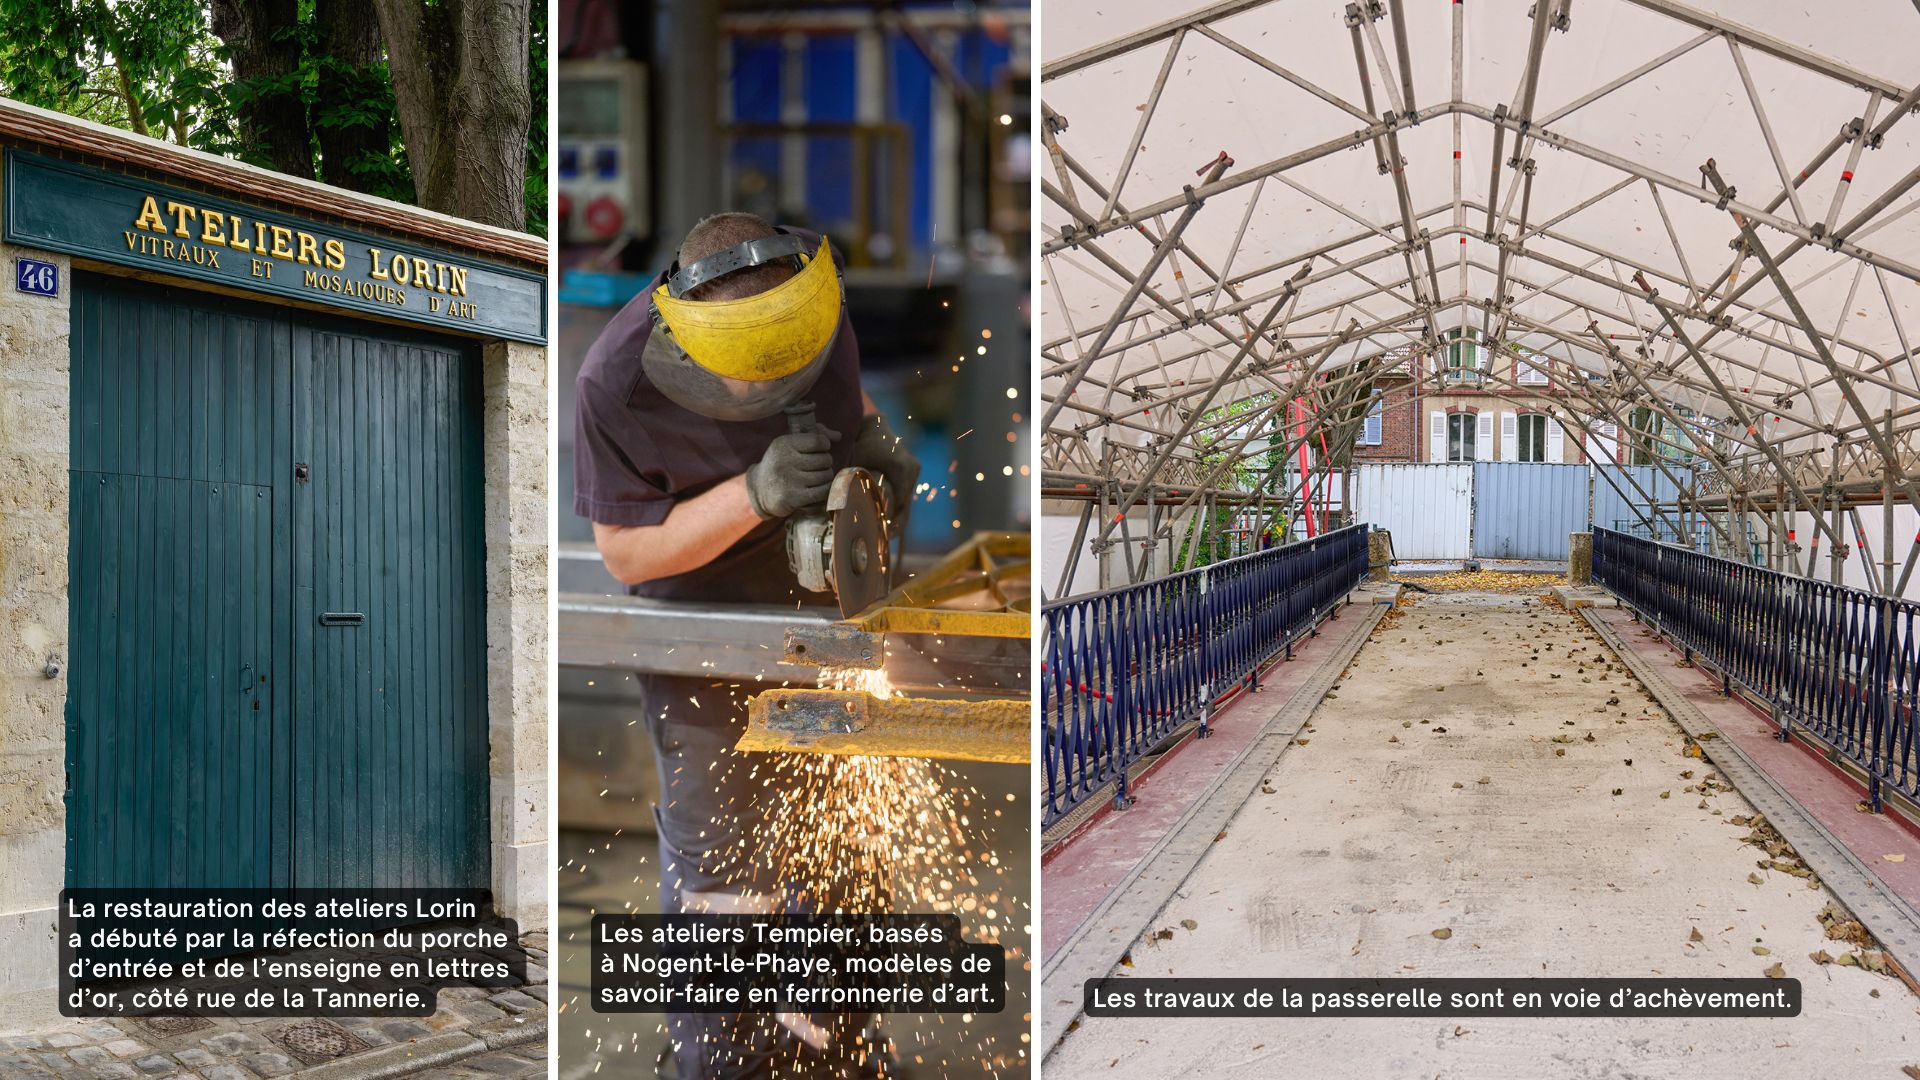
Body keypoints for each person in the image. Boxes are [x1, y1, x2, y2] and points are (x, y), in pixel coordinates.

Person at [572, 212, 921, 1079]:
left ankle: (834, 1042)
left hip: (832, 619)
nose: (778, 384)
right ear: (694, 337)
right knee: (728, 879)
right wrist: (753, 497)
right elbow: (623, 552)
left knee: (849, 848)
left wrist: (874, 438)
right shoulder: (612, 383)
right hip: (704, 635)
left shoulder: (812, 304)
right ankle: (718, 1060)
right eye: (754, 377)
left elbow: (850, 395)